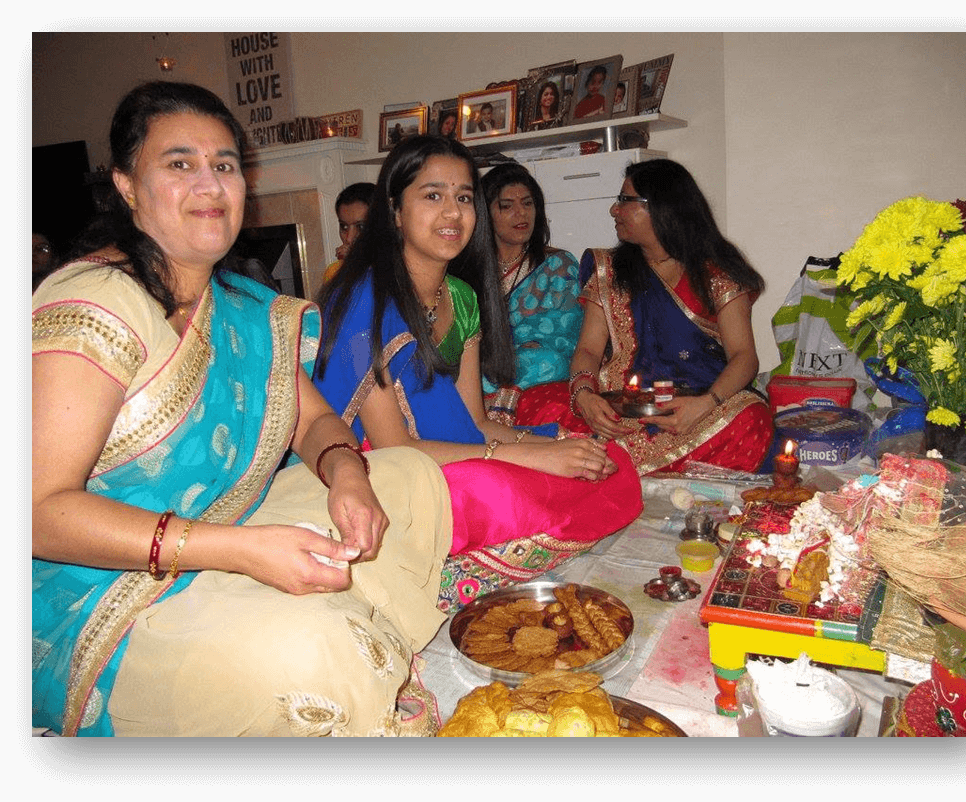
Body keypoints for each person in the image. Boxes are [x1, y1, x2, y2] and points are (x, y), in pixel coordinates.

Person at [32, 81, 452, 737]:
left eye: (224, 165)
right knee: (313, 654)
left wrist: (346, 474)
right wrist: (238, 552)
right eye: (179, 164)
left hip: (226, 530)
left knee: (405, 474)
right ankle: (315, 638)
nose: (210, 185)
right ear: (125, 185)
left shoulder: (240, 303)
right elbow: (36, 512)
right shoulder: (96, 305)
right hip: (100, 589)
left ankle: (314, 614)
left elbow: (314, 421)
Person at [313, 135, 642, 610]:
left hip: (456, 452)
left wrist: (554, 448)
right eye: (432, 196)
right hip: (382, 471)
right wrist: (529, 459)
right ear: (395, 212)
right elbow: (396, 450)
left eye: (463, 197)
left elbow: (478, 422)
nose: (453, 213)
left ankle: (516, 526)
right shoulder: (365, 304)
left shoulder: (462, 297)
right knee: (497, 487)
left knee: (602, 455)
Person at [514, 158, 775, 475]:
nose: (614, 210)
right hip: (620, 404)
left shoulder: (714, 269)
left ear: (662, 207)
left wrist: (705, 405)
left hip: (693, 404)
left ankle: (605, 467)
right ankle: (622, 465)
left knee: (752, 419)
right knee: (531, 403)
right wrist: (585, 396)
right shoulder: (609, 269)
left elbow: (744, 357)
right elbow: (588, 350)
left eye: (625, 200)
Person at [480, 162, 584, 398]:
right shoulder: (469, 269)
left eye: (527, 203)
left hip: (534, 365)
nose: (522, 213)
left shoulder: (558, 265)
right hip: (479, 363)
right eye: (507, 206)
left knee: (548, 360)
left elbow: (566, 336)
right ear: (485, 213)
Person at [321, 182, 375, 285]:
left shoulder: (402, 264)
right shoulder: (334, 271)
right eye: (344, 227)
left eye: (361, 227)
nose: (349, 238)